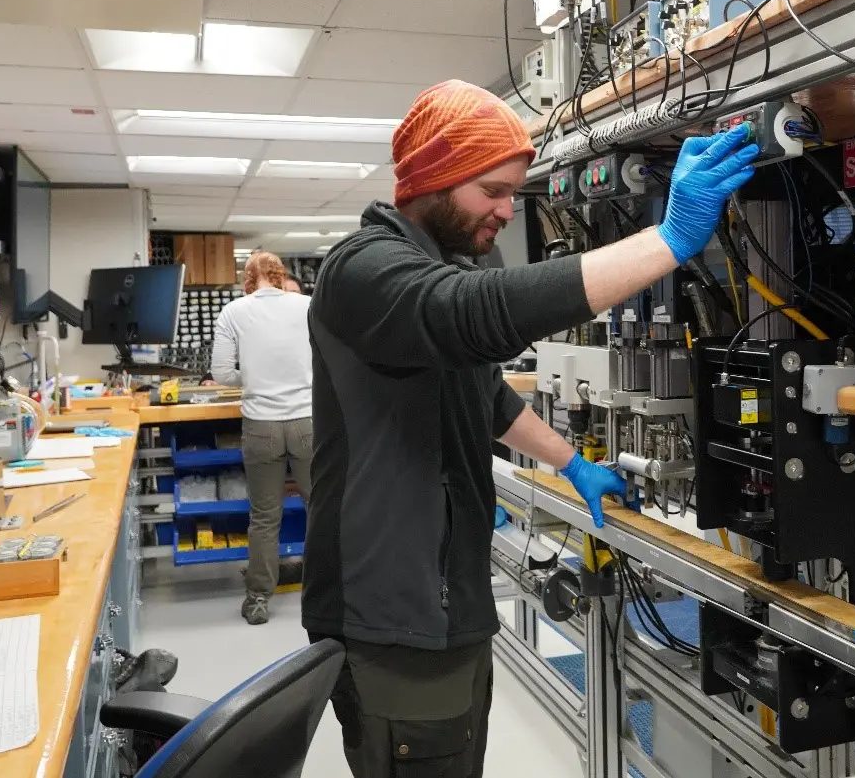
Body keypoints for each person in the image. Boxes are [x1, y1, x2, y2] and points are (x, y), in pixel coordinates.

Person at [304, 79, 758, 777]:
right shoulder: (362, 272)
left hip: (448, 600)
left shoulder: (440, 267)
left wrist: (571, 462)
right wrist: (666, 242)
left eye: (514, 192)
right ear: (435, 177)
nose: (505, 210)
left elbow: (484, 396)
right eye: (492, 190)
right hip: (393, 612)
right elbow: (472, 312)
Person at [211, 252, 314, 625]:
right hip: (307, 421)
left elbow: (221, 372)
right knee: (320, 507)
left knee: (264, 517)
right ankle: (331, 591)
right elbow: (330, 356)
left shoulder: (234, 312)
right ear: (280, 274)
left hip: (261, 426)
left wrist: (252, 377)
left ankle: (257, 600)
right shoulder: (307, 305)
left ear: (248, 279)